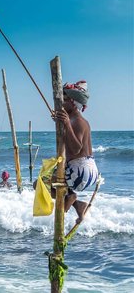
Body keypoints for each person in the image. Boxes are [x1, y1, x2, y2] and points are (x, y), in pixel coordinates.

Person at [52, 80, 98, 223]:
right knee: (48, 181)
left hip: (79, 171)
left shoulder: (76, 121)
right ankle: (78, 205)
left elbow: (76, 148)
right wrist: (62, 124)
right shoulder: (78, 120)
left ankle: (72, 198)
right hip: (89, 171)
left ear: (73, 103)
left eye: (64, 100)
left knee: (41, 183)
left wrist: (66, 124)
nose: (61, 104)